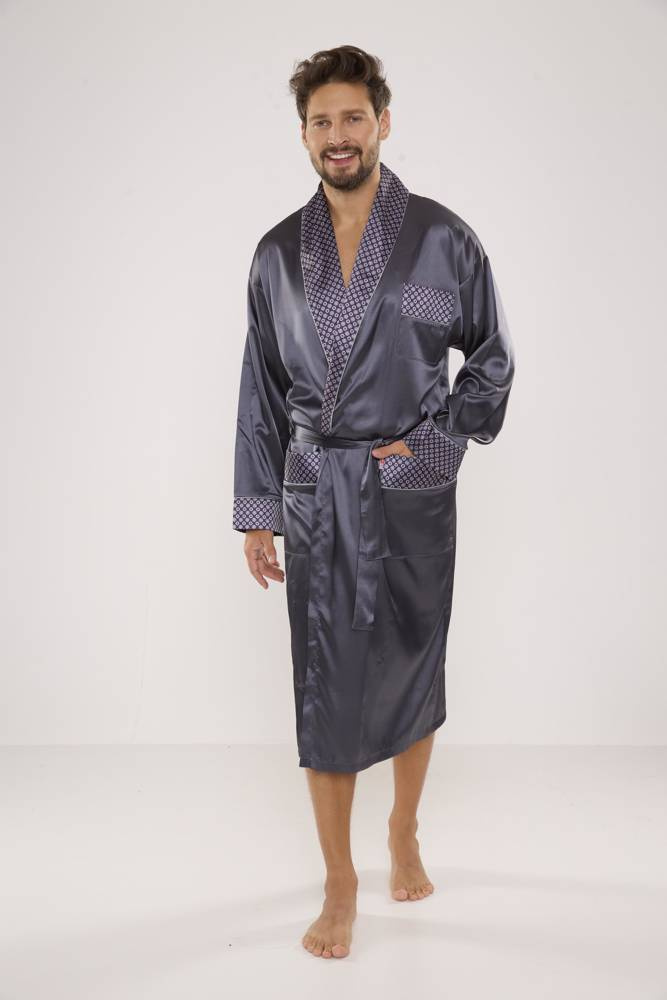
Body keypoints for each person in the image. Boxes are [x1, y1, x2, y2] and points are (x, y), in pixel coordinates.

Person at [232, 44, 516, 959]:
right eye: (321, 121)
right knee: (326, 684)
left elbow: (491, 355)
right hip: (320, 494)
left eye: (353, 117)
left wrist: (435, 442)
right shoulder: (276, 254)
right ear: (303, 135)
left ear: (382, 123)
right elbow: (259, 391)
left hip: (409, 492)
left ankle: (402, 829)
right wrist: (257, 509)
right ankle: (339, 880)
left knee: (412, 662)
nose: (338, 135)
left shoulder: (441, 237)